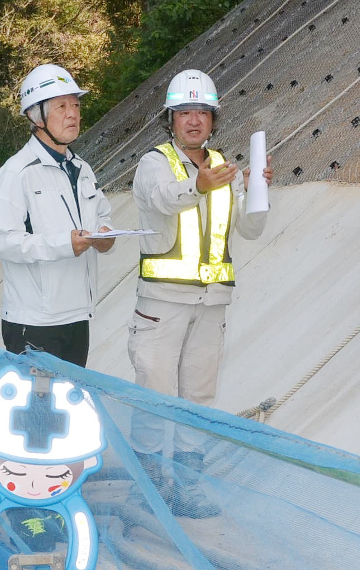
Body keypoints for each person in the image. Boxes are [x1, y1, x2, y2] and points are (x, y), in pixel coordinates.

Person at [128, 69, 273, 518]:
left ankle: (186, 487)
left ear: (213, 119)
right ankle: (147, 488)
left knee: (198, 397)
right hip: (162, 304)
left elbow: (250, 230)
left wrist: (256, 190)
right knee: (154, 394)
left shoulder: (224, 165)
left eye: (202, 112)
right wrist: (199, 185)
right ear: (170, 119)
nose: (194, 120)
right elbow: (163, 199)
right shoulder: (154, 163)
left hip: (211, 303)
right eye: (185, 112)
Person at [0, 63, 115, 368]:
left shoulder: (83, 169)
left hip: (78, 317)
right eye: (61, 106)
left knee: (69, 400)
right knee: (37, 401)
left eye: (76, 105)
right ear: (36, 116)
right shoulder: (17, 173)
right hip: (34, 323)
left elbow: (102, 217)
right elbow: (2, 241)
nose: (72, 114)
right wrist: (63, 244)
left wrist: (105, 236)